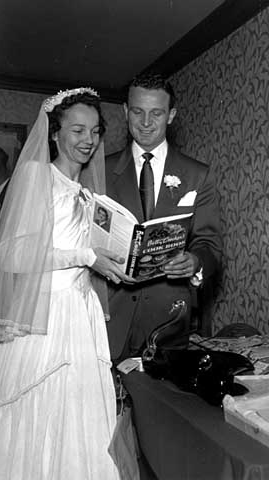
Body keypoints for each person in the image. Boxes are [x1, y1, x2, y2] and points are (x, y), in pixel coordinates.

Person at [0, 88, 131, 479]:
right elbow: (10, 255)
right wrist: (85, 257)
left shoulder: (89, 193)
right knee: (41, 413)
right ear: (55, 133)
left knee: (82, 419)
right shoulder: (37, 176)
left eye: (94, 131)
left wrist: (115, 261)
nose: (87, 140)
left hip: (82, 316)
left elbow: (91, 251)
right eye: (76, 130)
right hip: (45, 318)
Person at [106, 72, 222, 362]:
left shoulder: (198, 174)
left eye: (156, 113)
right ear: (125, 111)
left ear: (171, 115)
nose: (145, 123)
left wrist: (195, 261)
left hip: (169, 321)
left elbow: (209, 244)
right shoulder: (99, 170)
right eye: (137, 112)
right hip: (107, 318)